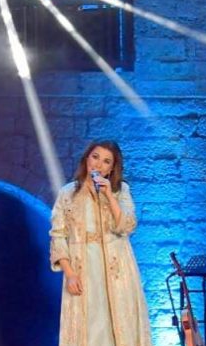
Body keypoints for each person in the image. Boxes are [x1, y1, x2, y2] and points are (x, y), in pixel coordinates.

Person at [49, 140, 151, 346]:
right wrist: (69, 274)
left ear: (112, 168)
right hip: (81, 268)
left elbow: (127, 226)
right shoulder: (67, 193)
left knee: (118, 325)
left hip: (117, 269)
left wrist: (109, 196)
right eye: (95, 157)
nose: (98, 164)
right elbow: (58, 235)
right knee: (88, 326)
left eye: (106, 161)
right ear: (87, 158)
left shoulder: (120, 191)